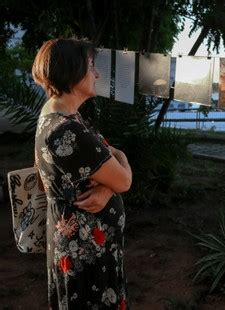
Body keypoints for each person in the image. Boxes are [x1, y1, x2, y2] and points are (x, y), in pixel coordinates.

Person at [33, 38, 132, 309]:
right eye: (90, 66)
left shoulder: (57, 115)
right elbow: (124, 179)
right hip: (86, 252)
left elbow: (52, 180)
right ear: (71, 71)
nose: (97, 74)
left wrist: (105, 187)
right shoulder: (68, 130)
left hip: (80, 245)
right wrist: (118, 165)